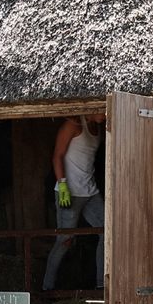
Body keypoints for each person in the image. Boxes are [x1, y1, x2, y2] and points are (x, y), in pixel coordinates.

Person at [43, 112, 106, 291]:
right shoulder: (73, 125)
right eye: (102, 109)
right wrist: (62, 185)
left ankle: (101, 285)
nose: (106, 113)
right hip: (69, 192)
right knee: (65, 239)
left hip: (90, 191)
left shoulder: (99, 127)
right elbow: (57, 156)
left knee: (107, 232)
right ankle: (46, 288)